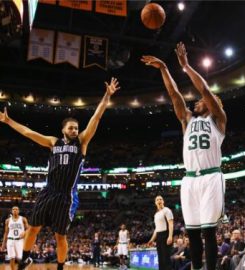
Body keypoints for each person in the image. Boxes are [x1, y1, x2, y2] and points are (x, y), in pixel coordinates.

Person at [0, 77, 120, 270]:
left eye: (76, 128)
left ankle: (60, 267)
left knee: (60, 236)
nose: (75, 130)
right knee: (32, 229)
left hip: (66, 196)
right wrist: (8, 121)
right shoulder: (52, 142)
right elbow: (28, 132)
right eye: (71, 128)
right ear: (63, 129)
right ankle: (26, 259)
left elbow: (96, 117)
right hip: (48, 192)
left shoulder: (81, 143)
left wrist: (107, 96)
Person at [141, 42, 227, 270]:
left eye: (203, 101)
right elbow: (174, 93)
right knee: (193, 232)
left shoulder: (218, 119)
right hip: (189, 179)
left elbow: (206, 91)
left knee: (209, 231)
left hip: (210, 177)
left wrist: (186, 67)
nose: (198, 101)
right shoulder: (187, 120)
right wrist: (164, 69)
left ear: (213, 104)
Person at [148, 195, 174, 270]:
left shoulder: (167, 210)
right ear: (155, 203)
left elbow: (171, 224)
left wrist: (170, 236)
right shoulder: (156, 214)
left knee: (166, 258)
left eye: (160, 199)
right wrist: (152, 239)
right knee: (160, 258)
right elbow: (156, 229)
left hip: (165, 234)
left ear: (163, 201)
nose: (159, 200)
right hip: (159, 236)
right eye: (157, 200)